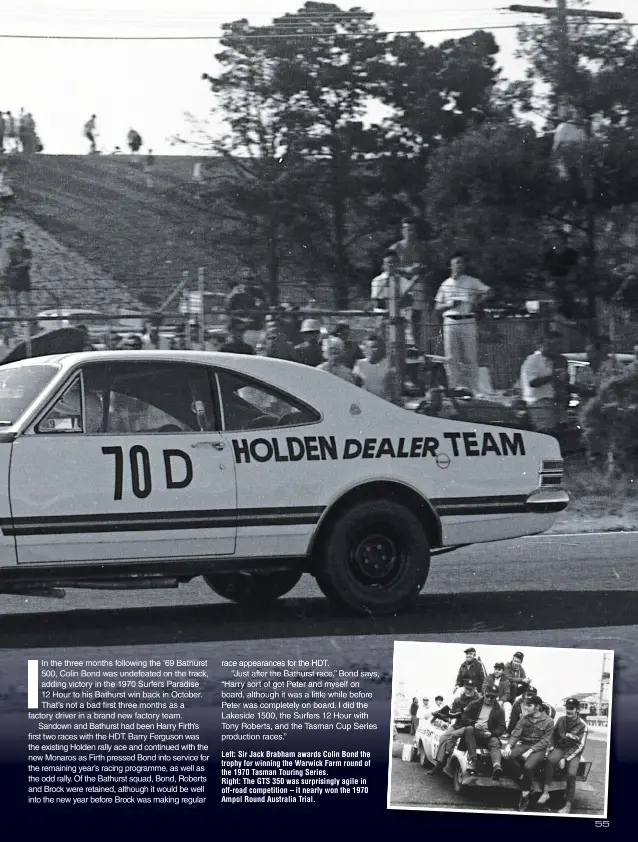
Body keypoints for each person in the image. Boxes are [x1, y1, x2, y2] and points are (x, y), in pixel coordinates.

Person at [434, 251, 490, 395]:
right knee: (452, 358)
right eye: (456, 263)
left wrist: (477, 301)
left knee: (470, 357)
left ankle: (474, 390)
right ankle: (454, 389)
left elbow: (488, 291)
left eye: (462, 263)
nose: (459, 265)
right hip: (450, 321)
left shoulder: (471, 281)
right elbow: (437, 307)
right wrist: (450, 304)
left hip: (467, 320)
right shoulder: (445, 284)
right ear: (451, 265)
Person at [502, 694, 555, 812]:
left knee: (528, 766)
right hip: (524, 744)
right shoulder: (524, 719)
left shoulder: (549, 721)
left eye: (529, 705)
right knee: (506, 756)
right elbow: (516, 733)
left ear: (537, 707)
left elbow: (545, 741)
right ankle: (524, 780)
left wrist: (531, 751)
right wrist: (508, 746)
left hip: (538, 748)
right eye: (525, 705)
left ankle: (525, 795)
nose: (525, 708)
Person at [538, 697, 588, 814]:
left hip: (573, 751)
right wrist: (551, 746)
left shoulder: (582, 725)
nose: (569, 711)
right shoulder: (561, 720)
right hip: (560, 748)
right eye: (567, 708)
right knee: (550, 760)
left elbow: (580, 746)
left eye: (571, 708)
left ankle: (568, 805)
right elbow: (553, 735)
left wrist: (565, 758)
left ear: (577, 709)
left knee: (571, 774)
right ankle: (545, 793)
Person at [388, 216, 431, 350]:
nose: (410, 232)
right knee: (398, 317)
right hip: (399, 286)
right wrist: (407, 269)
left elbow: (430, 266)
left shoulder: (422, 247)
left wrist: (421, 268)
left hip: (417, 285)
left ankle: (419, 348)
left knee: (417, 318)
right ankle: (398, 346)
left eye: (413, 230)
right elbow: (387, 267)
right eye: (407, 229)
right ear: (402, 231)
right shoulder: (396, 248)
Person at [426, 679, 480, 775]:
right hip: (458, 724)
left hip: (470, 726)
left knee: (455, 739)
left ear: (474, 689)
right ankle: (439, 764)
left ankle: (448, 761)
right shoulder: (458, 700)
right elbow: (451, 713)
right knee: (443, 737)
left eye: (470, 689)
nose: (468, 691)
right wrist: (461, 710)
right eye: (466, 688)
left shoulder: (479, 700)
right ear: (464, 688)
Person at [519, 331, 569, 431]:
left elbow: (564, 381)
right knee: (548, 432)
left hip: (557, 402)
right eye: (557, 344)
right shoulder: (533, 360)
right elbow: (532, 382)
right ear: (546, 344)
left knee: (563, 432)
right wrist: (552, 377)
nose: (560, 347)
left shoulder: (558, 360)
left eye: (560, 344)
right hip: (540, 402)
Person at [458, 683, 506, 778]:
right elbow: (464, 717)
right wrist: (474, 723)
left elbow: (502, 727)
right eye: (487, 696)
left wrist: (492, 733)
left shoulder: (499, 710)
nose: (489, 699)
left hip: (488, 734)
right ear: (484, 693)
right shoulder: (474, 704)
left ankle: (497, 767)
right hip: (474, 733)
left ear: (496, 697)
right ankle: (473, 761)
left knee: (495, 741)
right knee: (469, 729)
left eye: (492, 697)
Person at [371, 251, 414, 344]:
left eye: (394, 262)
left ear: (398, 263)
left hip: (399, 320)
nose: (391, 265)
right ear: (384, 265)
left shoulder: (403, 280)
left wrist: (395, 304)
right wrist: (395, 304)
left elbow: (409, 301)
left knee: (398, 348)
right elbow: (377, 303)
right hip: (383, 320)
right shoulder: (378, 281)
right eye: (388, 263)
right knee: (383, 347)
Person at [353, 334, 394, 401]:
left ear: (381, 348)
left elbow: (392, 389)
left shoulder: (388, 364)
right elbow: (355, 385)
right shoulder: (360, 364)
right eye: (371, 347)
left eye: (376, 347)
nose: (374, 350)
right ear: (365, 349)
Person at [3, 231, 32, 320]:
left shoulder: (27, 251)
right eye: (15, 240)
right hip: (13, 278)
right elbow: (6, 265)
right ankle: (17, 321)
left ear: (22, 241)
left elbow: (27, 263)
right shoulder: (10, 251)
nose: (17, 242)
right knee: (14, 301)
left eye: (18, 240)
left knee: (26, 300)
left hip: (24, 278)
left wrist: (13, 267)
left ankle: (31, 320)